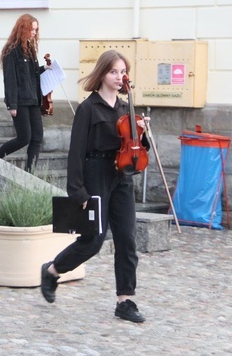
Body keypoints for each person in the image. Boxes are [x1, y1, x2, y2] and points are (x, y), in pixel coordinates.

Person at [39, 49, 149, 323]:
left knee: (127, 239)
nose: (119, 76)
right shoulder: (88, 108)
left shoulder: (126, 108)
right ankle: (52, 271)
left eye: (123, 71)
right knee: (93, 241)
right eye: (113, 71)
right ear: (102, 74)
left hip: (121, 176)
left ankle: (125, 300)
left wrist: (142, 134)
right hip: (95, 174)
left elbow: (135, 150)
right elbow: (76, 151)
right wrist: (78, 191)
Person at [0, 13, 48, 173]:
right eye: (32, 29)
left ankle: (30, 173)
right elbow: (10, 79)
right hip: (20, 101)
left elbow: (31, 73)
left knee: (37, 137)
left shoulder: (29, 49)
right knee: (24, 138)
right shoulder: (11, 51)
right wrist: (12, 104)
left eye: (36, 30)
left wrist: (45, 69)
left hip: (33, 100)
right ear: (23, 29)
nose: (34, 33)